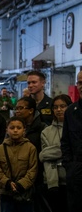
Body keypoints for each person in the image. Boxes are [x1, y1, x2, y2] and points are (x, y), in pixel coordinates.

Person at [0, 116, 38, 212]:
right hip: (6, 193)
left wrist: (21, 184)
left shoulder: (30, 148)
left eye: (19, 128)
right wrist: (7, 183)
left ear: (24, 130)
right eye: (12, 128)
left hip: (25, 193)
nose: (15, 130)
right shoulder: (0, 149)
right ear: (7, 130)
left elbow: (33, 170)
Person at [15, 96, 48, 212]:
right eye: (16, 108)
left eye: (21, 108)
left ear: (31, 110)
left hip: (37, 178)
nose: (17, 111)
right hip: (17, 177)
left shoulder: (42, 128)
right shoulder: (14, 128)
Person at [39, 94, 71, 212]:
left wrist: (53, 151)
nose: (59, 110)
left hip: (72, 180)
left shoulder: (76, 127)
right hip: (54, 183)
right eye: (56, 107)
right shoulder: (46, 132)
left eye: (63, 106)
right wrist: (52, 184)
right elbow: (44, 156)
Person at [61, 70, 82, 212]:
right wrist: (70, 166)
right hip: (77, 170)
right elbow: (65, 142)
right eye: (80, 82)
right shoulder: (70, 112)